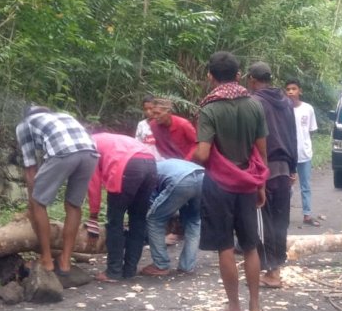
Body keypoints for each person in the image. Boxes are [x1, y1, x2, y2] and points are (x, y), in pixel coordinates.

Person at [192, 51, 269, 311]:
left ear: (211, 76)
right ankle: (256, 308)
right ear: (238, 75)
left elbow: (202, 154)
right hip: (248, 182)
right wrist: (260, 182)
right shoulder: (254, 106)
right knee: (250, 246)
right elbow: (261, 150)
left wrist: (186, 156)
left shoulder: (210, 108)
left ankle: (234, 309)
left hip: (219, 186)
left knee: (225, 246)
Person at [16, 106, 98, 286]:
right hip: (90, 152)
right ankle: (65, 262)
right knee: (73, 205)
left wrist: (33, 200)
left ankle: (46, 259)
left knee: (38, 202)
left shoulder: (24, 125)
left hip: (63, 152)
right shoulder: (62, 116)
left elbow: (30, 168)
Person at [248, 62, 298, 289]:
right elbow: (292, 135)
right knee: (280, 219)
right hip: (284, 168)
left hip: (265, 168)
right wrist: (293, 167)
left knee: (264, 221)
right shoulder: (287, 102)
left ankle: (272, 271)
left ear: (251, 79)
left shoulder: (254, 103)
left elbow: (254, 141)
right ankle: (275, 266)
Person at [87, 133, 158, 282]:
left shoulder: (88, 145)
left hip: (127, 165)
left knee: (115, 221)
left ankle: (113, 272)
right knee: (138, 220)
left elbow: (93, 184)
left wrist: (93, 215)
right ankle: (130, 270)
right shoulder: (108, 138)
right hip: (151, 163)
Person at [140, 159, 204, 276]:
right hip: (202, 176)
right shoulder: (161, 165)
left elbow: (152, 201)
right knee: (194, 221)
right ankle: (187, 266)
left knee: (154, 219)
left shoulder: (147, 173)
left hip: (181, 180)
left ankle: (161, 265)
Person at [285, 78, 320, 227]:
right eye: (288, 89)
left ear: (300, 91)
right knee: (286, 186)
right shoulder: (283, 108)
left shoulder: (308, 109)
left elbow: (310, 131)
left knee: (305, 186)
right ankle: (283, 215)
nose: (291, 92)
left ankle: (307, 215)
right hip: (287, 154)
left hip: (304, 154)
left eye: (294, 88)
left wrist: (305, 146)